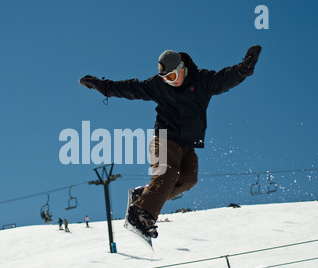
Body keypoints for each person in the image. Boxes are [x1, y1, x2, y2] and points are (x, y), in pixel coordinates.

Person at [80, 46, 261, 239]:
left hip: (187, 144)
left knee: (189, 179)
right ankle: (139, 214)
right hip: (164, 139)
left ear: (182, 69)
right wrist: (101, 85)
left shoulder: (202, 81)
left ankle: (143, 197)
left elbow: (224, 79)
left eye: (172, 77)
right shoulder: (158, 86)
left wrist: (243, 69)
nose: (168, 82)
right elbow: (129, 88)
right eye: (164, 78)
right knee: (168, 173)